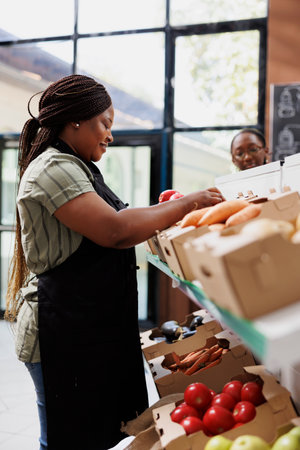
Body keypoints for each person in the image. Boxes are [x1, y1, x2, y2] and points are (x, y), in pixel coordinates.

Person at [5, 74, 224, 450]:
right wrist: (186, 204)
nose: (109, 135)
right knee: (67, 439)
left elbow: (124, 220)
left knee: (93, 434)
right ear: (76, 119)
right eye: (104, 123)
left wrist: (166, 210)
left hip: (82, 328)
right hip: (60, 333)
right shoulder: (54, 168)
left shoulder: (79, 167)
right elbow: (115, 231)